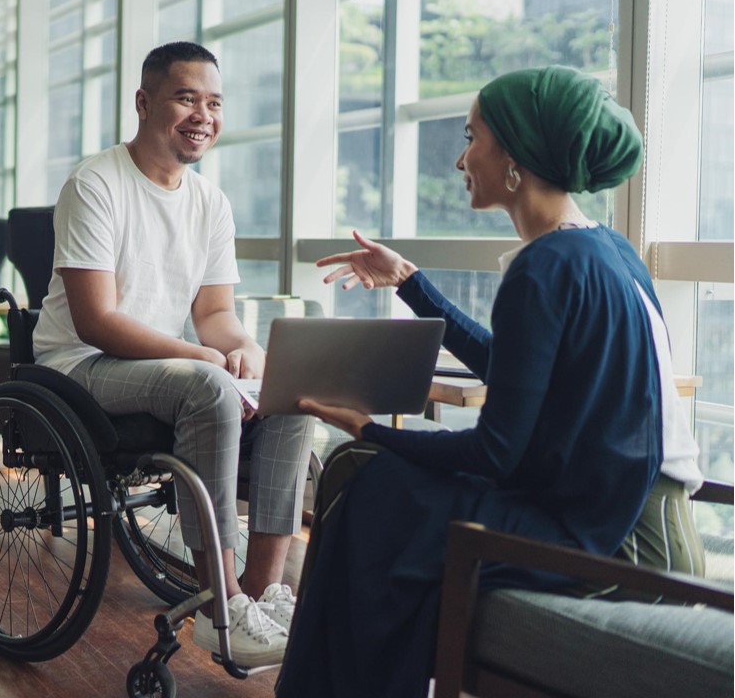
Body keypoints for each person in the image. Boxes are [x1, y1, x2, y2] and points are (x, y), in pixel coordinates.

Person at [276, 65, 704, 697]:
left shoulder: (544, 267)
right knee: (372, 478)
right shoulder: (603, 248)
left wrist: (366, 425)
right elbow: (516, 373)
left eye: (471, 137)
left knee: (365, 479)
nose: (459, 159)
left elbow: (493, 451)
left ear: (514, 156)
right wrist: (410, 284)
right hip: (637, 519)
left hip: (616, 541)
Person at [32, 41, 316, 668]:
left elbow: (215, 315)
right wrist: (202, 359)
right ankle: (220, 602)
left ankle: (265, 595)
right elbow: (96, 319)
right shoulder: (96, 183)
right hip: (79, 365)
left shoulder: (211, 203)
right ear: (144, 102)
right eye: (187, 97)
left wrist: (243, 348)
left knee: (292, 392)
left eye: (214, 103)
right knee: (207, 386)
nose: (203, 115)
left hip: (164, 366)